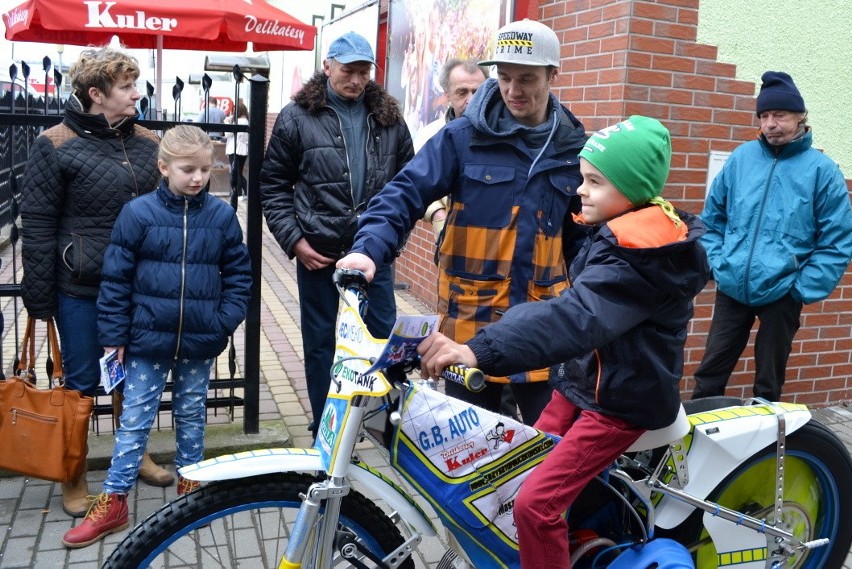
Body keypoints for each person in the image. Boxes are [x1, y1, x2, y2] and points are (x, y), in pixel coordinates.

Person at [416, 116, 710, 569]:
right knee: (521, 459)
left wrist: (479, 349)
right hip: (586, 384)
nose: (580, 190)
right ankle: (583, 533)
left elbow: (574, 318)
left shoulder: (640, 257)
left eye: (594, 181)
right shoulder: (613, 231)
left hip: (621, 404)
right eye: (582, 178)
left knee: (535, 504)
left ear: (631, 191)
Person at [337, 19, 588, 426]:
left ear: (552, 75)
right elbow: (404, 193)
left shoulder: (572, 148)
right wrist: (368, 249)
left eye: (526, 79)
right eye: (504, 78)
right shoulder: (462, 138)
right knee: (472, 453)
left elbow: (582, 239)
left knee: (550, 452)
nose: (513, 91)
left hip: (544, 325)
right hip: (469, 323)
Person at [61, 125, 253, 548]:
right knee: (134, 421)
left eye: (205, 169)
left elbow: (239, 273)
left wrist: (223, 321)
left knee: (190, 415)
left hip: (200, 340)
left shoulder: (221, 216)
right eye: (188, 169)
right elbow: (116, 280)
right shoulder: (139, 213)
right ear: (164, 166)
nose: (198, 178)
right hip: (146, 342)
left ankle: (190, 489)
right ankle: (114, 500)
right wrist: (114, 337)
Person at [19, 46, 169, 518]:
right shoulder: (55, 143)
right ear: (95, 94)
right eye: (126, 87)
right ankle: (75, 472)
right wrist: (39, 294)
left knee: (135, 377)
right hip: (81, 287)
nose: (136, 94)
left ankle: (134, 455)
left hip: (139, 286)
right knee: (82, 384)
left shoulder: (147, 141)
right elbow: (38, 222)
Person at [259, 31, 414, 435]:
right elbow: (273, 184)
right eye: (348, 70)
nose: (357, 79)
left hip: (374, 254)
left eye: (364, 71)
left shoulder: (390, 118)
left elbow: (409, 187)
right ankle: (325, 423)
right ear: (327, 66)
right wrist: (295, 241)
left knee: (381, 337)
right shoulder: (297, 117)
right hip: (319, 251)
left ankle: (384, 422)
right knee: (320, 343)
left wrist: (390, 243)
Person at [692, 71, 852, 402]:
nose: (770, 124)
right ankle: (695, 441)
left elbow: (836, 241)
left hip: (783, 290)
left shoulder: (822, 171)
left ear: (801, 116)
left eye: (779, 115)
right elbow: (712, 220)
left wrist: (800, 289)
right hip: (733, 284)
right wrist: (719, 263)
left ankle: (764, 446)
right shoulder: (741, 158)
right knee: (710, 372)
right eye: (764, 116)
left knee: (769, 380)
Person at [413, 58, 488, 237]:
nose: (471, 100)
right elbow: (414, 186)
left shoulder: (502, 134)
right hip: (452, 242)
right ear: (447, 95)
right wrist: (437, 213)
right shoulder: (431, 135)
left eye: (477, 92)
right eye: (462, 92)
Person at [225, 101, 249, 209]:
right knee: (239, 171)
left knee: (236, 172)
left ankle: (238, 194)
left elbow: (227, 134)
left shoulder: (235, 121)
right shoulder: (247, 121)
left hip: (234, 148)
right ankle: (246, 191)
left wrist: (226, 122)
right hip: (244, 149)